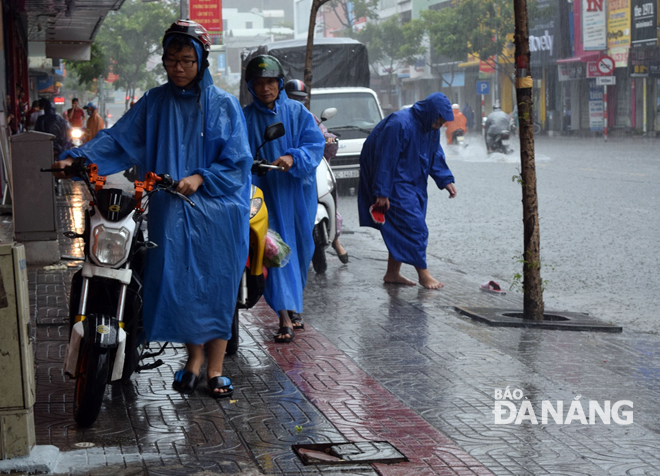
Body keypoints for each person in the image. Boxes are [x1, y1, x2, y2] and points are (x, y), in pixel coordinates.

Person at [50, 20, 252, 399]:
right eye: (171, 59)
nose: (178, 67)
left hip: (219, 214)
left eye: (187, 61)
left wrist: (201, 177)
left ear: (202, 62)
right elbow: (117, 139)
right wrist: (75, 158)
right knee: (180, 286)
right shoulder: (154, 103)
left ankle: (215, 368)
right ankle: (192, 361)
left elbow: (238, 161)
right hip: (171, 213)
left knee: (215, 287)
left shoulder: (223, 105)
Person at [242, 56, 325, 342]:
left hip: (296, 194)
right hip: (262, 195)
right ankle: (284, 317)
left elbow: (315, 144)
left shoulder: (298, 113)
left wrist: (293, 157)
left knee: (301, 249)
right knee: (273, 248)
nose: (265, 88)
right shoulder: (244, 117)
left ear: (279, 84)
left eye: (270, 82)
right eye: (259, 83)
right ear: (251, 87)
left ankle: (293, 305)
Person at [357, 92, 457, 289]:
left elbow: (435, 154)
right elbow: (385, 158)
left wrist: (445, 180)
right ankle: (424, 274)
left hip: (415, 182)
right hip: (395, 183)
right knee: (415, 227)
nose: (440, 125)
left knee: (400, 228)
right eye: (439, 120)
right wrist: (382, 192)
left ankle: (392, 273)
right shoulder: (399, 124)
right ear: (431, 113)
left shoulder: (430, 126)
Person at [284, 78, 348, 264]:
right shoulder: (277, 115)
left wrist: (330, 140)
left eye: (300, 99)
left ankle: (335, 239)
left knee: (330, 195)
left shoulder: (309, 117)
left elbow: (323, 135)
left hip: (309, 171)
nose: (297, 102)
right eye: (292, 98)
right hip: (284, 172)